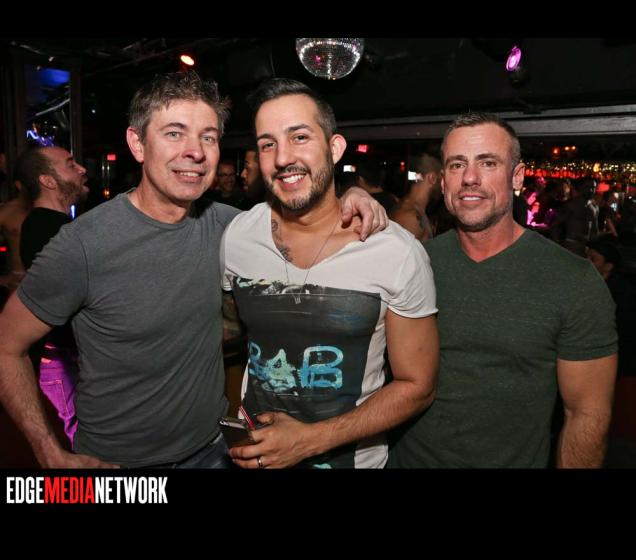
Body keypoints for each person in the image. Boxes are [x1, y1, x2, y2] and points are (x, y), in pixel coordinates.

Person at [0, 71, 387, 469]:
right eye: (174, 133)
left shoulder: (230, 228)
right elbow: (6, 346)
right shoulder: (82, 246)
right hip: (119, 465)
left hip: (215, 450)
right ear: (137, 143)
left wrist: (352, 196)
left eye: (208, 137)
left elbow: (306, 214)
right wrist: (47, 451)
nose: (195, 152)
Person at [221, 78, 438, 469]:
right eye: (268, 144)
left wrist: (307, 442)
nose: (282, 157)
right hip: (253, 457)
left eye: (299, 137)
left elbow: (418, 386)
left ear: (334, 148)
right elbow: (229, 334)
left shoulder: (395, 251)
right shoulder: (238, 236)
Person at [389, 112, 617, 468]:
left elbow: (586, 414)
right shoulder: (412, 263)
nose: (469, 178)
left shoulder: (574, 281)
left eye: (488, 163)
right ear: (444, 182)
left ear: (517, 176)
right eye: (457, 164)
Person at [15, 146, 89, 445]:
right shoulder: (46, 228)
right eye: (70, 164)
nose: (82, 169)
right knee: (87, 450)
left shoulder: (57, 226)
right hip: (66, 361)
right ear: (48, 181)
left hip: (69, 359)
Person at [391, 153, 442, 242]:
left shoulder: (416, 210)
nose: (443, 185)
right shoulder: (410, 218)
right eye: (441, 179)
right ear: (432, 178)